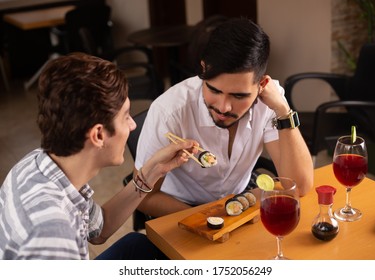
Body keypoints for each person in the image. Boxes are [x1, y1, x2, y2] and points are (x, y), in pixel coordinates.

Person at [0, 53, 199, 260]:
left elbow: (98, 230)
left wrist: (151, 172)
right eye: (126, 116)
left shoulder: (38, 163)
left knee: (137, 245)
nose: (132, 125)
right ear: (98, 135)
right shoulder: (54, 234)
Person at [134, 18, 313, 218]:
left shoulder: (270, 101)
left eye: (239, 96)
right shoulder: (168, 111)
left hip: (237, 200)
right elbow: (143, 197)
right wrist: (209, 218)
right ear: (204, 69)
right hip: (179, 208)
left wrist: (282, 110)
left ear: (262, 84)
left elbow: (300, 185)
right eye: (214, 90)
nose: (223, 107)